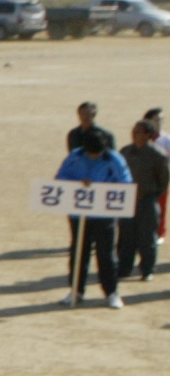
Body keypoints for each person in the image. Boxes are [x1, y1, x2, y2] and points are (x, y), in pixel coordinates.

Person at [56, 125, 130, 307]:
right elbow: (60, 178)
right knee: (79, 253)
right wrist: (78, 183)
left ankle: (111, 293)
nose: (93, 157)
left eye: (96, 153)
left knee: (106, 254)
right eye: (90, 153)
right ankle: (76, 290)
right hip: (79, 213)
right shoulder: (75, 156)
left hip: (104, 214)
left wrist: (102, 186)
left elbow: (126, 182)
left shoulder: (114, 158)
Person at [119, 118, 167, 285]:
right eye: (133, 130)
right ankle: (124, 268)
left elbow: (163, 181)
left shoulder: (158, 155)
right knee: (126, 235)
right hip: (127, 200)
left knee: (147, 238)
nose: (134, 133)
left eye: (138, 131)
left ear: (148, 135)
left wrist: (150, 195)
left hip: (147, 200)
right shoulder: (125, 152)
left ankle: (147, 270)